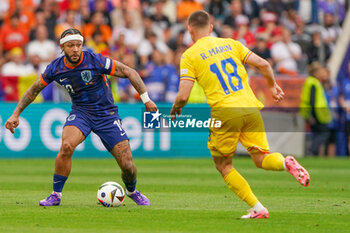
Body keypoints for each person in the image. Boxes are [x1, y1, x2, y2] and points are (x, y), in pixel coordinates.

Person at [170, 10, 310, 219]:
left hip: (225, 111)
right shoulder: (230, 43)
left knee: (224, 165)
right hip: (250, 106)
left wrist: (175, 108)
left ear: (189, 30)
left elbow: (183, 95)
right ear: (211, 27)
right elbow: (264, 64)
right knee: (261, 158)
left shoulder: (189, 55)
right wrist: (272, 87)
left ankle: (258, 208)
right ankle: (284, 162)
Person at [5, 28, 158, 207]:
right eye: (71, 46)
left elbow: (129, 71)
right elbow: (33, 90)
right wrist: (16, 114)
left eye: (78, 45)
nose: (76, 49)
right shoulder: (55, 68)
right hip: (81, 113)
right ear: (62, 47)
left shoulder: (95, 60)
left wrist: (146, 99)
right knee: (67, 146)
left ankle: (132, 190)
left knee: (127, 165)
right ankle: (56, 195)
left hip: (106, 114)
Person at [300, 62, 332, 156]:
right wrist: (311, 115)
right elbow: (312, 100)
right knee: (324, 133)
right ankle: (311, 151)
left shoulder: (311, 81)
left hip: (314, 113)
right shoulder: (313, 82)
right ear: (316, 72)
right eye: (321, 71)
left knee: (316, 134)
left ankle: (312, 152)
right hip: (316, 113)